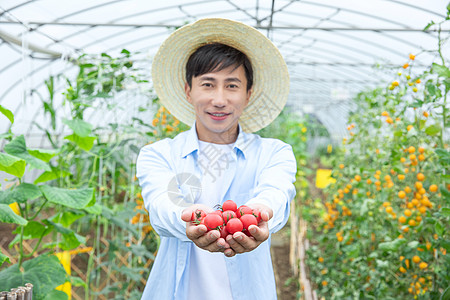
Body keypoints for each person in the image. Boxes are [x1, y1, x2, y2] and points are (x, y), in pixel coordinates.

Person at [136, 18, 296, 300]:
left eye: (232, 86)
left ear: (249, 93)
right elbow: (161, 205)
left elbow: (276, 192)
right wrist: (186, 218)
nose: (219, 99)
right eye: (208, 84)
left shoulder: (274, 153)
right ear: (188, 90)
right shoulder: (159, 155)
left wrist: (261, 212)